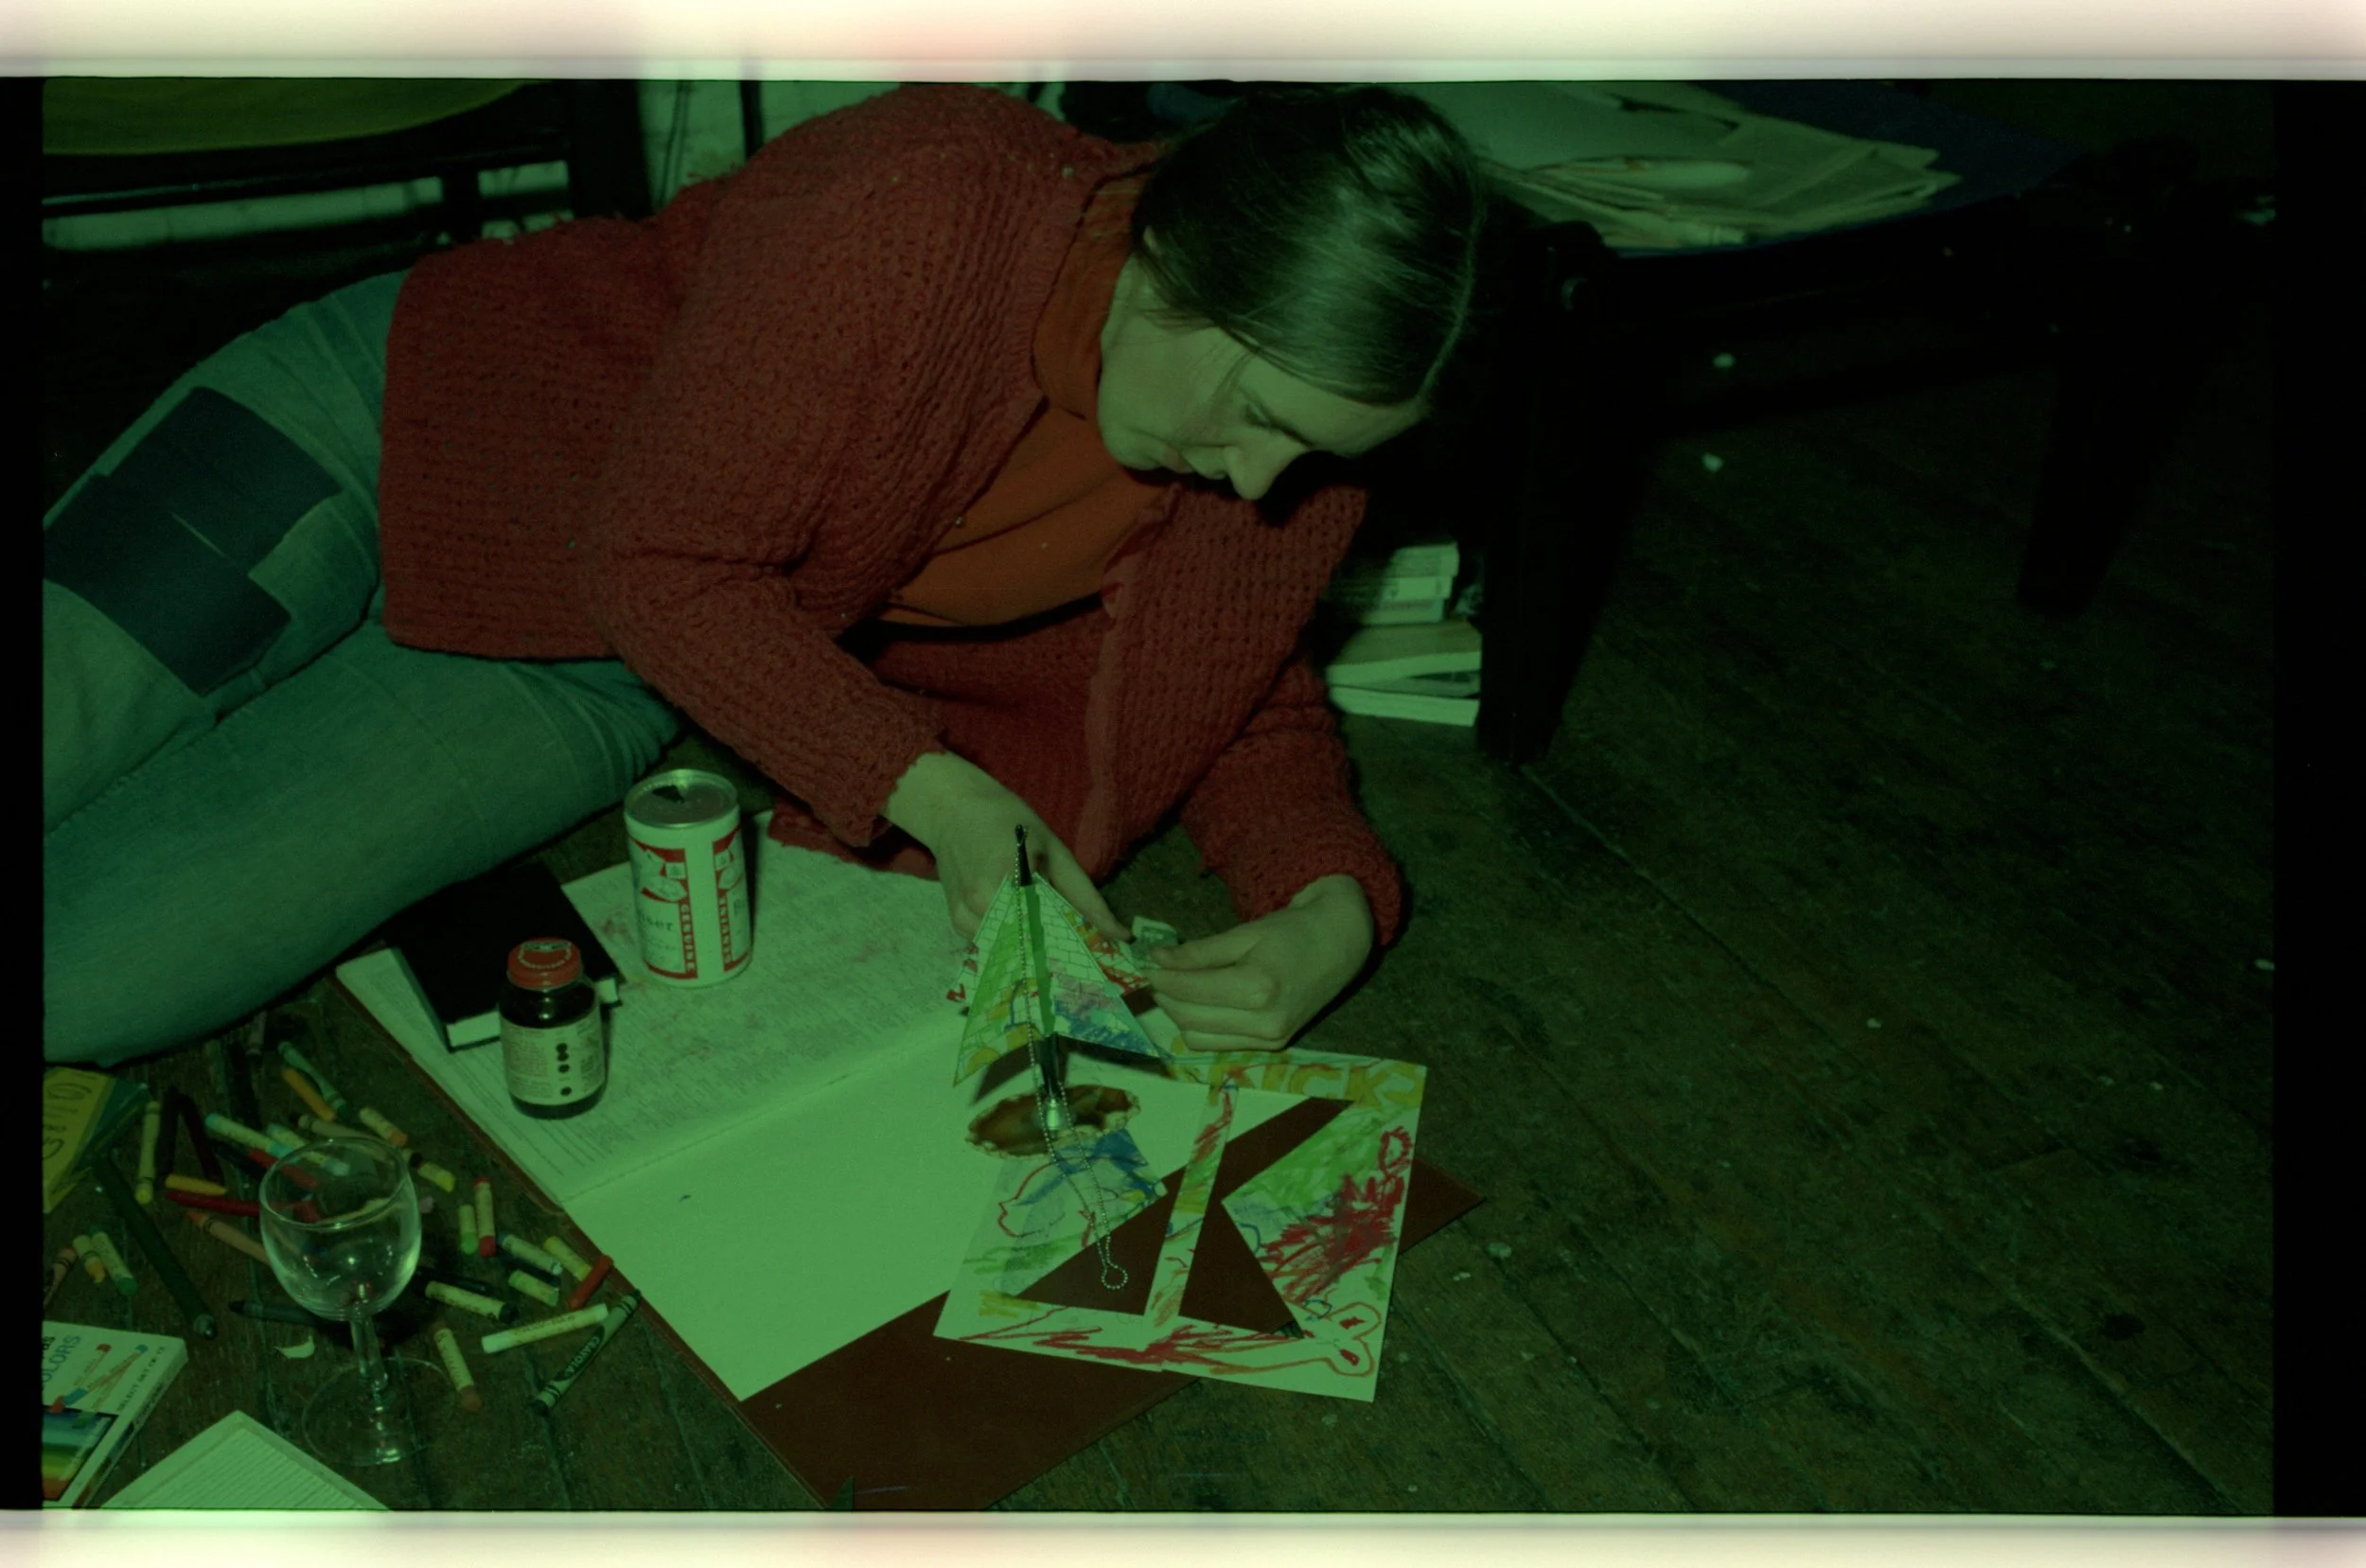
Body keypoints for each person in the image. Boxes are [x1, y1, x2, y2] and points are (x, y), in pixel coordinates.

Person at [43, 81, 1488, 1068]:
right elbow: (663, 555)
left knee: (82, 978)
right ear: (1171, 256)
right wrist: (937, 790)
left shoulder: (1284, 468)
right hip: (398, 413)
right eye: (1258, 414)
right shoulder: (923, 201)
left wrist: (1334, 907)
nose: (1261, 483)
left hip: (584, 658)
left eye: (1313, 452)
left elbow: (1238, 693)